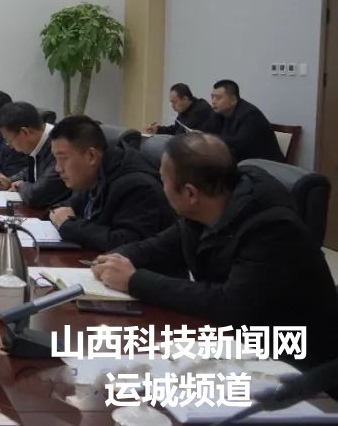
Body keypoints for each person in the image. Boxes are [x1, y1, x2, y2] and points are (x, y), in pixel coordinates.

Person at [92, 133, 338, 372]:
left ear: (190, 193)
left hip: (293, 361)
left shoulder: (271, 228)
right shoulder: (211, 201)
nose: (161, 186)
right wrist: (114, 258)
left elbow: (230, 304)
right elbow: (161, 246)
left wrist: (135, 280)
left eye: (163, 180)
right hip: (237, 341)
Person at [47, 116, 175, 251]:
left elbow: (127, 243)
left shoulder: (138, 186)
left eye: (63, 159)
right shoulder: (93, 173)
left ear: (91, 156)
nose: (58, 168)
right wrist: (60, 213)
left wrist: (69, 226)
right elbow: (67, 206)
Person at [0, 101, 71, 208]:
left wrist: (20, 186)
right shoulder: (40, 141)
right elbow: (32, 169)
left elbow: (36, 196)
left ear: (25, 132)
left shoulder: (59, 145)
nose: (10, 146)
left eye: (9, 140)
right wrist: (9, 180)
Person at [201, 79, 285, 162]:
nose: (213, 101)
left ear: (233, 100)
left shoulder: (251, 115)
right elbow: (204, 131)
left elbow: (239, 144)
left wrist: (209, 138)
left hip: (263, 165)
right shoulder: (218, 112)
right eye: (212, 97)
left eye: (218, 98)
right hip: (238, 161)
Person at [146, 83, 213, 135]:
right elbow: (176, 128)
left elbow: (180, 133)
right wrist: (158, 129)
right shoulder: (185, 108)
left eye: (174, 102)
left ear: (185, 99)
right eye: (171, 102)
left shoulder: (200, 109)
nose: (172, 106)